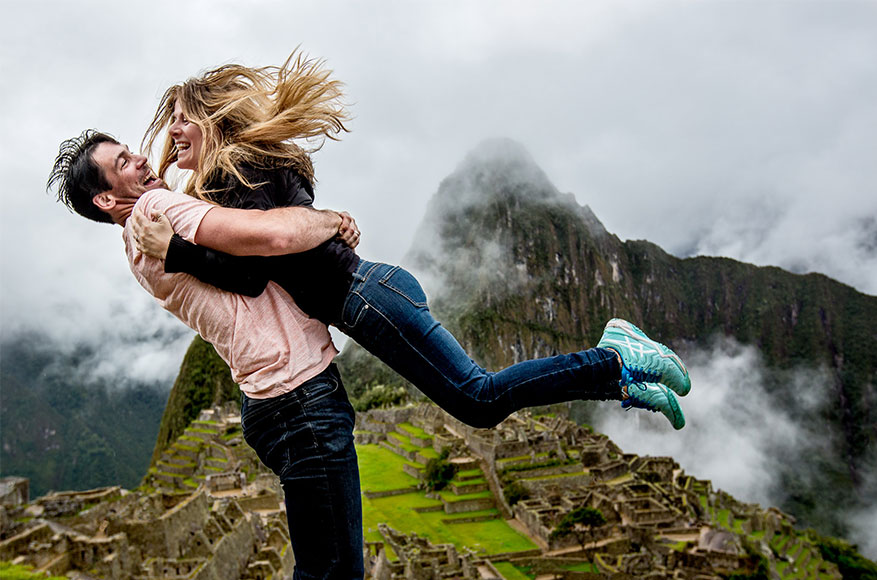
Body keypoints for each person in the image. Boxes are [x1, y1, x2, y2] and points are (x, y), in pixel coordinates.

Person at [133, 53, 691, 432]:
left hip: (364, 298)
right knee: (479, 400)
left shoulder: (235, 175)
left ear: (213, 118)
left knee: (478, 399)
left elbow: (253, 271)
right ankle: (623, 376)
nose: (172, 133)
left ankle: (614, 356)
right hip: (374, 291)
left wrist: (175, 251)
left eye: (183, 119)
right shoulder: (258, 163)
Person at [49, 131, 366, 579]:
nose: (140, 159)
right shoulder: (154, 211)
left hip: (276, 398)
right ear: (105, 200)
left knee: (327, 569)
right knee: (335, 572)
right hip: (296, 395)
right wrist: (332, 220)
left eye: (131, 153)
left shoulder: (135, 242)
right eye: (123, 163)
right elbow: (259, 257)